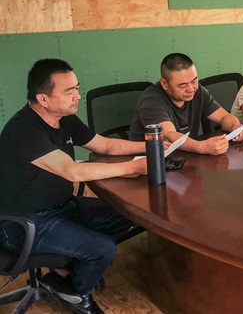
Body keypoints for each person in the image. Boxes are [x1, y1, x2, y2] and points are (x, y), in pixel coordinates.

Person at [0, 59, 151, 314]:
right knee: (102, 248)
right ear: (43, 99)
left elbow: (106, 145)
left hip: (62, 206)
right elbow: (73, 170)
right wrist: (133, 168)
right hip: (24, 223)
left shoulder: (64, 118)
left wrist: (153, 145)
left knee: (130, 213)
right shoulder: (23, 130)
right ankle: (73, 291)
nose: (78, 96)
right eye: (69, 91)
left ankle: (72, 265)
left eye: (77, 88)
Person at [129, 53, 243, 155]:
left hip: (183, 156)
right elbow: (169, 135)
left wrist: (235, 127)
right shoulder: (151, 100)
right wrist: (201, 147)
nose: (191, 89)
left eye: (194, 81)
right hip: (149, 161)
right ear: (164, 84)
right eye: (182, 85)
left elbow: (224, 116)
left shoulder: (198, 91)